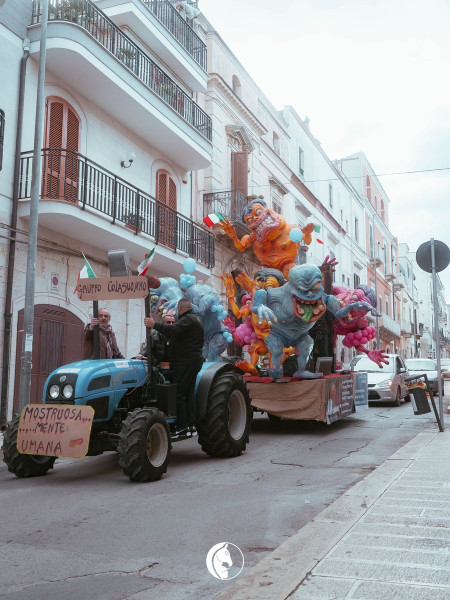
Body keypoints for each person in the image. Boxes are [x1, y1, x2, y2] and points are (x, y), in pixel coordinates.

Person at [146, 298, 204, 437]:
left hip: (185, 363)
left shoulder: (187, 319)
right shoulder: (196, 320)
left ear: (181, 309)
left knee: (180, 394)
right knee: (189, 394)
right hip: (193, 362)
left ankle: (182, 427)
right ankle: (191, 425)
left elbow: (174, 330)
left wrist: (154, 325)